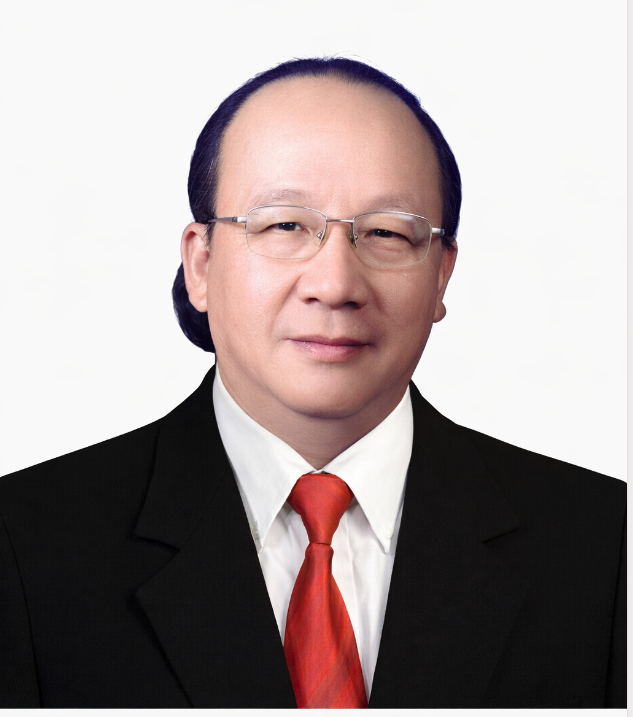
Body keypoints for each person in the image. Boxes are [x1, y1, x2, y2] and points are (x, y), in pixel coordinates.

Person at [0, 58, 625, 709]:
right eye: (284, 225)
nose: (334, 284)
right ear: (201, 264)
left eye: (386, 232)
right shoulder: (27, 543)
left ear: (442, 275)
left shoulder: (605, 546)